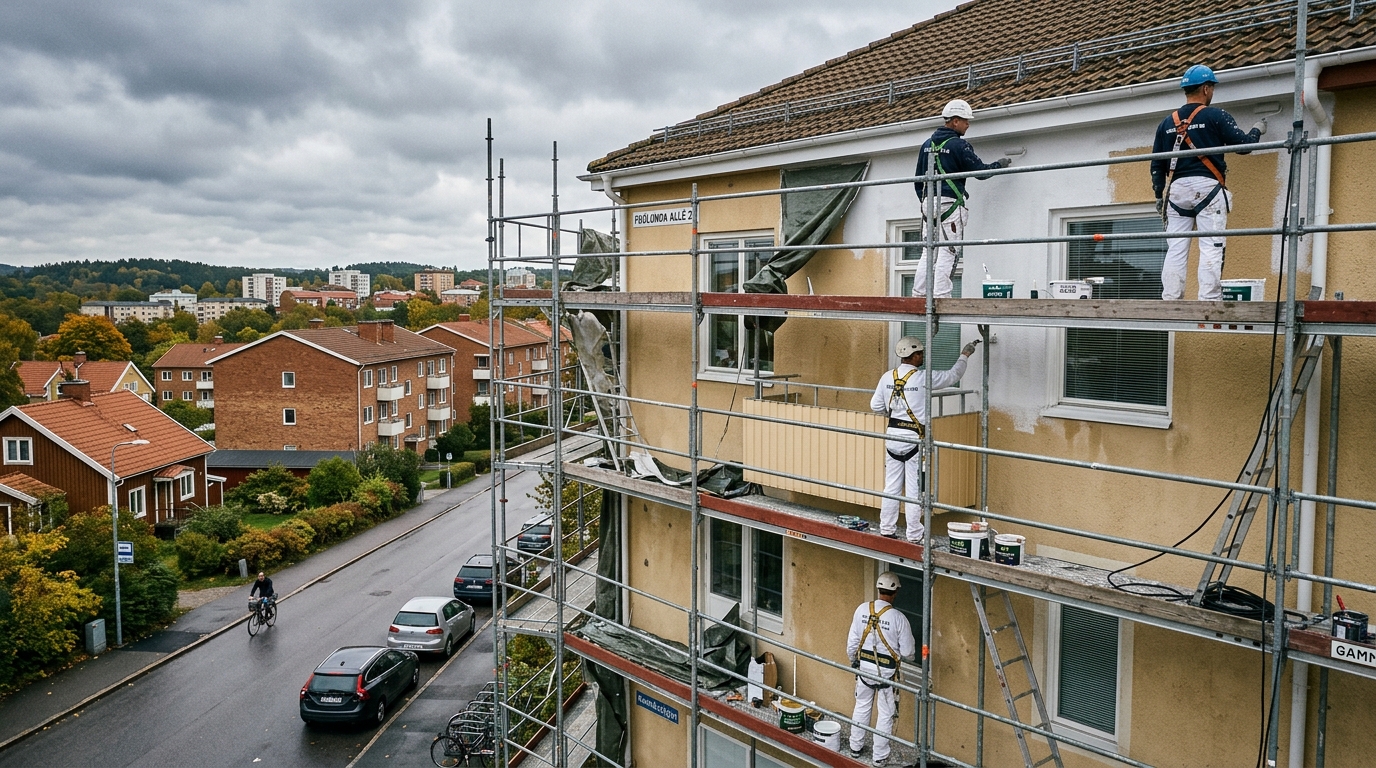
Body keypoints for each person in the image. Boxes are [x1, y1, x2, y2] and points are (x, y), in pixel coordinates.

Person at [1150, 64, 1267, 301]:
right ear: (1205, 89)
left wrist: (1159, 195)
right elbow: (1244, 146)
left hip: (1177, 191)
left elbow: (1157, 164)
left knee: (1176, 248)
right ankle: (1209, 299)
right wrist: (1257, 130)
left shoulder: (1166, 123)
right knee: (1211, 245)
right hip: (1207, 189)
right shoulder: (1216, 116)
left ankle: (1171, 298)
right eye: (1211, 88)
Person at [871, 336, 979, 543]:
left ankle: (886, 529)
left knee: (891, 487)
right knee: (912, 490)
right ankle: (914, 534)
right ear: (915, 355)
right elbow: (952, 376)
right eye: (921, 353)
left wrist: (895, 412)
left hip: (893, 437)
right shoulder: (922, 378)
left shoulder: (887, 377)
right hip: (914, 439)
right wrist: (964, 355)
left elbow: (875, 406)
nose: (923, 357)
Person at [912, 99, 1012, 300]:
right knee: (948, 251)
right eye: (966, 120)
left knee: (928, 252)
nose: (968, 124)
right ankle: (941, 297)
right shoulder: (959, 145)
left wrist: (926, 204)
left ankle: (919, 295)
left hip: (927, 205)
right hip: (950, 204)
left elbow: (918, 180)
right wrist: (999, 164)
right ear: (955, 121)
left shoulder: (926, 145)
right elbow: (981, 173)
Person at [846, 572, 916, 765]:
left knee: (861, 706)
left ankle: (855, 747)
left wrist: (854, 661)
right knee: (885, 714)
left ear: (878, 590)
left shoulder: (861, 610)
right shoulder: (898, 618)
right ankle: (879, 757)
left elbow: (852, 644)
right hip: (886, 673)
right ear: (895, 593)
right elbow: (909, 652)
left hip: (864, 669)